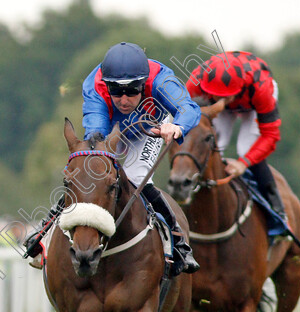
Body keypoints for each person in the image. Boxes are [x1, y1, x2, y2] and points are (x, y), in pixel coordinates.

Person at [26, 42, 201, 276]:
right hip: (111, 131)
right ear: (107, 85)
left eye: (132, 91)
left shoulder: (161, 79)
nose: (124, 100)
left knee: (137, 177)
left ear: (144, 83)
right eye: (117, 91)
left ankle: (179, 242)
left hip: (149, 129)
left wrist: (177, 127)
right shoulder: (95, 85)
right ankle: (43, 233)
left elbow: (189, 108)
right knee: (90, 172)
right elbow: (96, 132)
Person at [185, 51, 287, 225]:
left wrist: (244, 162)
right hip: (229, 95)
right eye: (216, 95)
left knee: (245, 148)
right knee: (215, 145)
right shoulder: (195, 82)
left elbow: (271, 135)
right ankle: (189, 192)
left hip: (253, 103)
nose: (221, 100)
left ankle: (277, 211)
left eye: (225, 97)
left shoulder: (262, 88)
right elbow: (182, 114)